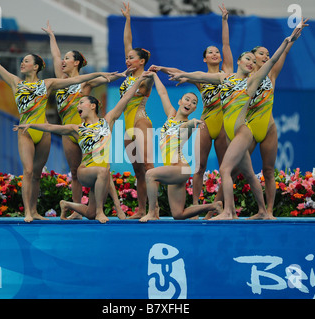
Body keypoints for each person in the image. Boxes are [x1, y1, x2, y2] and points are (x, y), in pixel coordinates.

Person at [0, 37, 116, 223]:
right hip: (26, 131)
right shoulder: (16, 83)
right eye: (22, 61)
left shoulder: (47, 84)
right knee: (28, 171)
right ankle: (27, 213)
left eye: (26, 61)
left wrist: (102, 74)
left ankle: (35, 210)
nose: (22, 63)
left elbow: (78, 78)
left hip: (43, 131)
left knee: (38, 175)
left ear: (36, 67)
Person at [170, 23, 307, 220]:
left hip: (243, 132)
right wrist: (184, 75)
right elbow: (201, 75)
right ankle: (262, 211)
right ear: (240, 62)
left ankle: (229, 212)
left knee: (225, 170)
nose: (251, 63)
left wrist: (288, 40)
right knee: (249, 174)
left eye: (254, 61)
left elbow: (275, 59)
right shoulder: (225, 79)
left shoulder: (252, 81)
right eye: (248, 59)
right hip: (232, 133)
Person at [13, 73, 149, 223]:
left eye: (81, 102)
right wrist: (31, 124)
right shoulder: (76, 128)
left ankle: (68, 205)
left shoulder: (107, 121)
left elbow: (126, 98)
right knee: (104, 171)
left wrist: (139, 81)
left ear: (93, 106)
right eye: (77, 104)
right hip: (85, 171)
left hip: (100, 175)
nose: (77, 106)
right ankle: (100, 212)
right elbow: (51, 126)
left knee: (89, 211)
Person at [148, 3, 233, 214]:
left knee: (225, 169)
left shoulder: (228, 72)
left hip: (223, 124)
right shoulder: (199, 77)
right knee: (199, 167)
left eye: (216, 52)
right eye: (210, 52)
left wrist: (224, 21)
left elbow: (226, 44)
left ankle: (219, 207)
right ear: (205, 58)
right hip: (206, 122)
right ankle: (196, 204)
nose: (215, 54)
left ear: (220, 57)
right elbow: (182, 72)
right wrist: (162, 69)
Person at [42, 21, 127, 220]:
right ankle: (77, 210)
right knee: (75, 171)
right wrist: (52, 36)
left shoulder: (86, 82)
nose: (63, 61)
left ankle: (116, 207)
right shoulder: (60, 80)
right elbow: (55, 55)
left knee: (102, 168)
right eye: (64, 58)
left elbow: (107, 78)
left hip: (89, 131)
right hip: (71, 132)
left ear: (77, 63)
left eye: (68, 58)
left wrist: (122, 75)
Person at [244, 18, 309, 219]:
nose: (266, 55)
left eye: (267, 53)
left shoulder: (271, 74)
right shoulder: (244, 77)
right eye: (261, 53)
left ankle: (268, 211)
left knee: (268, 170)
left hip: (268, 127)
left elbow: (285, 52)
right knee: (238, 169)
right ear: (252, 57)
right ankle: (227, 207)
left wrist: (293, 38)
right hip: (249, 128)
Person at [139, 71, 223, 222]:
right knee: (178, 214)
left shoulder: (187, 124)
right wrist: (154, 75)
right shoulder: (171, 115)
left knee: (150, 174)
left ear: (194, 109)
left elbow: (187, 126)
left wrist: (193, 122)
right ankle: (213, 206)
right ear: (180, 101)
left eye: (193, 103)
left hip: (181, 167)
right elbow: (163, 93)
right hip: (174, 170)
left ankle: (152, 212)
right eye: (187, 99)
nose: (189, 103)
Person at [120, 2, 156, 219]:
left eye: (132, 58)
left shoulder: (147, 77)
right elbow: (127, 41)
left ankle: (155, 210)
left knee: (149, 167)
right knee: (138, 171)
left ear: (141, 61)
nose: (128, 59)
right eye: (127, 57)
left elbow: (148, 87)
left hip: (141, 120)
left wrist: (148, 77)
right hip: (127, 125)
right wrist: (127, 19)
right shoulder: (130, 75)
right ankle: (142, 209)